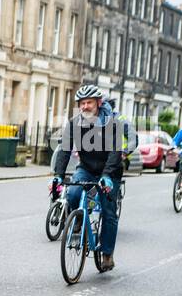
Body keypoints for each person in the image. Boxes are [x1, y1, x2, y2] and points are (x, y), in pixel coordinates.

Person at [51, 84, 134, 272]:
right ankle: (78, 220)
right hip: (86, 168)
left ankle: (107, 254)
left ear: (98, 103)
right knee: (72, 193)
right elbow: (65, 149)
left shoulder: (112, 122)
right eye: (81, 103)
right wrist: (58, 175)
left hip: (110, 171)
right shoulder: (74, 123)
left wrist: (106, 175)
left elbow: (116, 150)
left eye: (89, 102)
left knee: (108, 210)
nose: (85, 106)